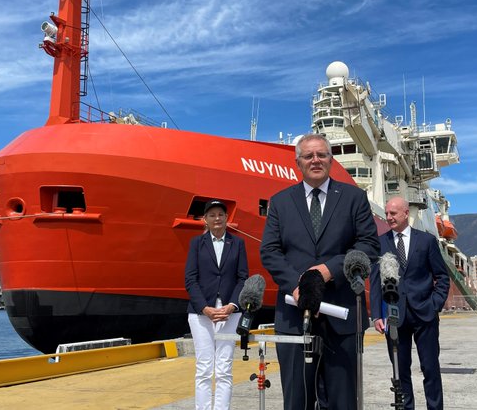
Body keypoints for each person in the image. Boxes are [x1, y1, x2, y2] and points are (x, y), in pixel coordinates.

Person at [260, 133, 379, 410]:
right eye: (308, 156)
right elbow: (270, 251)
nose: (315, 160)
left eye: (321, 155)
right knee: (297, 401)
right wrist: (299, 285)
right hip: (293, 315)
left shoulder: (354, 198)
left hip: (342, 316)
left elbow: (369, 245)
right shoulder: (280, 201)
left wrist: (326, 271)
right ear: (297, 162)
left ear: (331, 159)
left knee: (343, 401)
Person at [369, 196, 450, 410]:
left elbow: (442, 276)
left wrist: (435, 304)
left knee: (430, 368)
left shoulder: (427, 241)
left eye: (393, 213)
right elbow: (375, 281)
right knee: (400, 370)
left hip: (425, 314)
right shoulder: (380, 243)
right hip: (394, 315)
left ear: (406, 213)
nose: (388, 217)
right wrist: (377, 315)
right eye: (386, 213)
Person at [185, 199, 248, 410]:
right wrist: (205, 308)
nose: (217, 218)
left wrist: (232, 306)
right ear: (205, 220)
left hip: (229, 314)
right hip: (201, 314)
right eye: (212, 215)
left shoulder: (237, 243)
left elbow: (242, 278)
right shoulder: (196, 243)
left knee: (224, 369)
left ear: (226, 217)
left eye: (221, 214)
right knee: (204, 369)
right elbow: (190, 279)